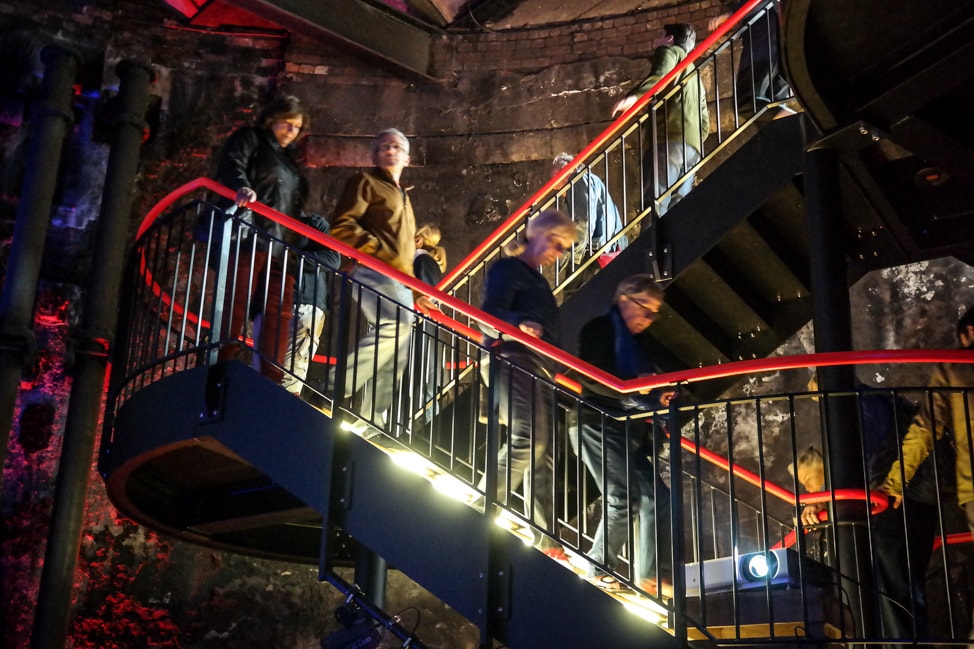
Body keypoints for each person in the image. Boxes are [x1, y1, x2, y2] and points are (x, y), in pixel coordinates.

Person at [571, 274, 675, 598]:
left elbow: (640, 389)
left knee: (658, 498)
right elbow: (590, 377)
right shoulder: (600, 329)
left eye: (655, 313)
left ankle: (650, 577)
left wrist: (656, 396)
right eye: (646, 308)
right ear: (625, 300)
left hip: (627, 430)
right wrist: (631, 388)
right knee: (621, 498)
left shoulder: (639, 345)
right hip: (597, 421)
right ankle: (598, 570)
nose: (649, 319)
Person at [478, 210, 577, 548]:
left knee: (544, 452)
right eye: (558, 244)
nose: (559, 253)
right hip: (514, 357)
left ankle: (546, 541)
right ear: (540, 234)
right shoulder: (509, 269)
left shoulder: (536, 279)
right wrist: (518, 323)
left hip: (539, 366)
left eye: (563, 248)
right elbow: (488, 315)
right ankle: (478, 510)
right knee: (529, 440)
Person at [329, 128, 435, 431]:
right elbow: (342, 225)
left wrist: (416, 292)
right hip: (371, 268)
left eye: (396, 147)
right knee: (398, 324)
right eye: (384, 146)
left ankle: (372, 421)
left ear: (407, 158)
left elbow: (404, 256)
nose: (390, 150)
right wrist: (376, 250)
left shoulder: (403, 196)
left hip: (398, 279)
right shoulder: (365, 182)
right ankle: (336, 386)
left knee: (398, 348)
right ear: (374, 155)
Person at [882, 306, 974, 643]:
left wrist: (894, 483)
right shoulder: (953, 367)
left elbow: (925, 428)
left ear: (965, 334)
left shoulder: (952, 367)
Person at [793, 435, 937, 644]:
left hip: (893, 509)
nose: (807, 489)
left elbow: (857, 471)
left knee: (892, 598)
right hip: (913, 503)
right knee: (902, 596)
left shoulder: (859, 458)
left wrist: (823, 496)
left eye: (807, 479)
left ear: (826, 464)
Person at [214, 94, 310, 383]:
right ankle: (218, 368)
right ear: (272, 119)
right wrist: (242, 187)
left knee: (278, 314)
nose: (291, 131)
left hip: (283, 246)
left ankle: (271, 381)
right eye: (287, 122)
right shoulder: (252, 139)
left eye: (297, 127)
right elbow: (232, 163)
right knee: (236, 302)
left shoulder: (291, 162)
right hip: (251, 235)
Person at [611, 23, 711, 215]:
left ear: (670, 39)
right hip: (692, 148)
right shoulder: (695, 75)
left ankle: (651, 236)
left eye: (659, 35)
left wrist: (634, 97)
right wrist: (692, 141)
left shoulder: (669, 51)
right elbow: (705, 123)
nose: (654, 41)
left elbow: (660, 75)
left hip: (667, 139)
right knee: (678, 209)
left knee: (655, 202)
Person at [279, 214, 341, 396]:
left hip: (304, 303)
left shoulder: (312, 223)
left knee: (290, 370)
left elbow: (333, 258)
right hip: (276, 303)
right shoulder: (269, 222)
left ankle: (285, 408)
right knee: (272, 367)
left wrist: (291, 258)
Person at [708, 1, 792, 119]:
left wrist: (730, 15)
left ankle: (795, 117)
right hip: (777, 52)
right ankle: (794, 121)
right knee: (776, 103)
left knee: (744, 101)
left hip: (762, 49)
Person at [551, 153, 628, 271]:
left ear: (568, 168)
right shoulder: (588, 180)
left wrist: (574, 255)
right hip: (604, 249)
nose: (554, 185)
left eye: (555, 174)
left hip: (594, 253)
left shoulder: (578, 180)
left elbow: (583, 220)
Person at [411, 223, 448, 423]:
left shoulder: (421, 259)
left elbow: (425, 295)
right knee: (427, 377)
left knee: (424, 377)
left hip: (423, 323)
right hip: (428, 325)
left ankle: (428, 424)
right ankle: (428, 424)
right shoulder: (428, 261)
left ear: (419, 239)